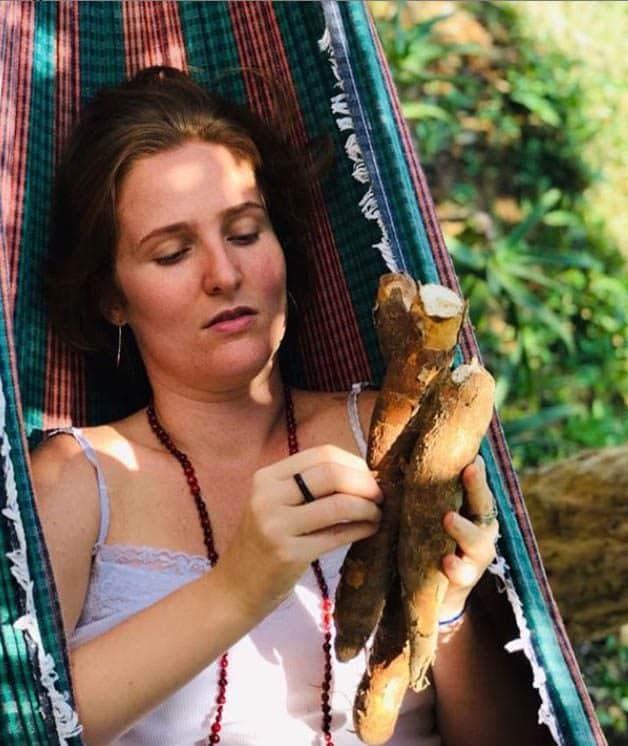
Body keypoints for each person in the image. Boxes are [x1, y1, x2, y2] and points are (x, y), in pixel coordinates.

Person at [32, 67, 549, 745]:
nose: (224, 274)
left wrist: (445, 612)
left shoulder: (396, 443)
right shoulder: (74, 482)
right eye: (172, 252)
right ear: (112, 298)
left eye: (245, 233)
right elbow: (30, 724)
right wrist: (238, 587)